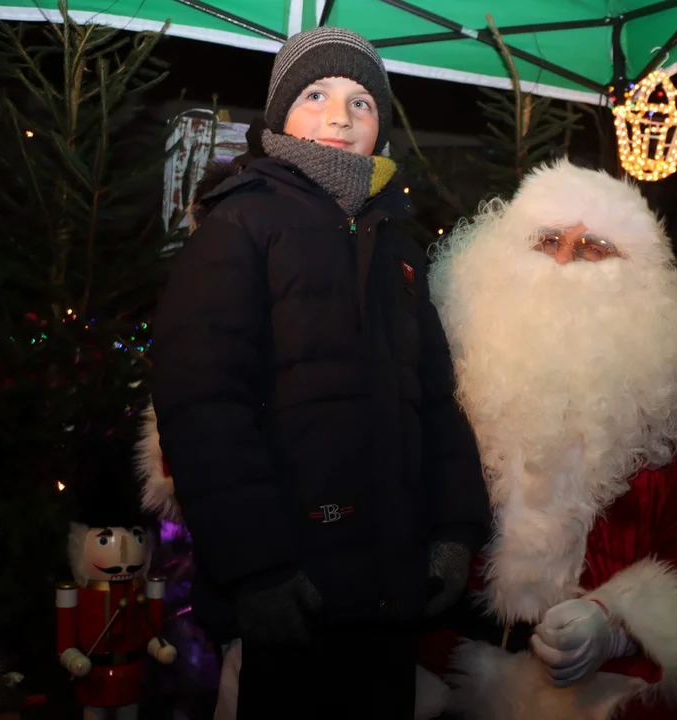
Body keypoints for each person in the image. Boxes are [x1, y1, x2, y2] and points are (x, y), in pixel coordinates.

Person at [150, 27, 490, 720]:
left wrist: (454, 529)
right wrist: (258, 566)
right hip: (293, 579)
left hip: (392, 583)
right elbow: (203, 405)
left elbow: (437, 399)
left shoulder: (398, 246)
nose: (340, 115)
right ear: (278, 117)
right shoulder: (239, 224)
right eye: (316, 94)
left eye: (362, 101)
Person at [416, 160, 677, 719]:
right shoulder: (441, 374)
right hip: (445, 676)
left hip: (609, 696)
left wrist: (616, 623)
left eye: (592, 247)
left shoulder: (670, 410)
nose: (564, 257)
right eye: (548, 239)